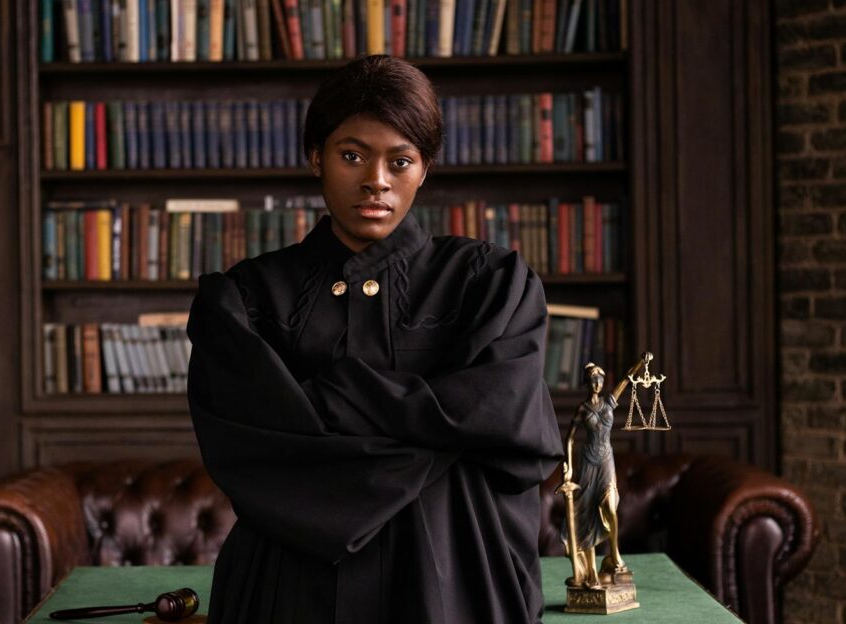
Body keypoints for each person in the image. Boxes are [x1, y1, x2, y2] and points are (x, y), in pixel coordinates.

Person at [186, 55, 563, 623]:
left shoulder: (490, 283)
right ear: (316, 155)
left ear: (426, 167)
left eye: (401, 160)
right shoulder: (247, 296)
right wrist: (439, 431)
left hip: (457, 582)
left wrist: (331, 396)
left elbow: (509, 426)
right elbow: (251, 456)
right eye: (352, 155)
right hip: (286, 592)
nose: (376, 181)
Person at [560, 355, 650, 589]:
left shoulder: (609, 402)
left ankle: (614, 553)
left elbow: (626, 380)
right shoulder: (582, 408)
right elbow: (570, 438)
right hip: (588, 461)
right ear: (587, 383)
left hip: (606, 460)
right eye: (593, 380)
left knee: (610, 507)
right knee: (588, 512)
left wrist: (641, 362)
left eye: (600, 379)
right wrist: (568, 465)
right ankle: (589, 571)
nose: (598, 383)